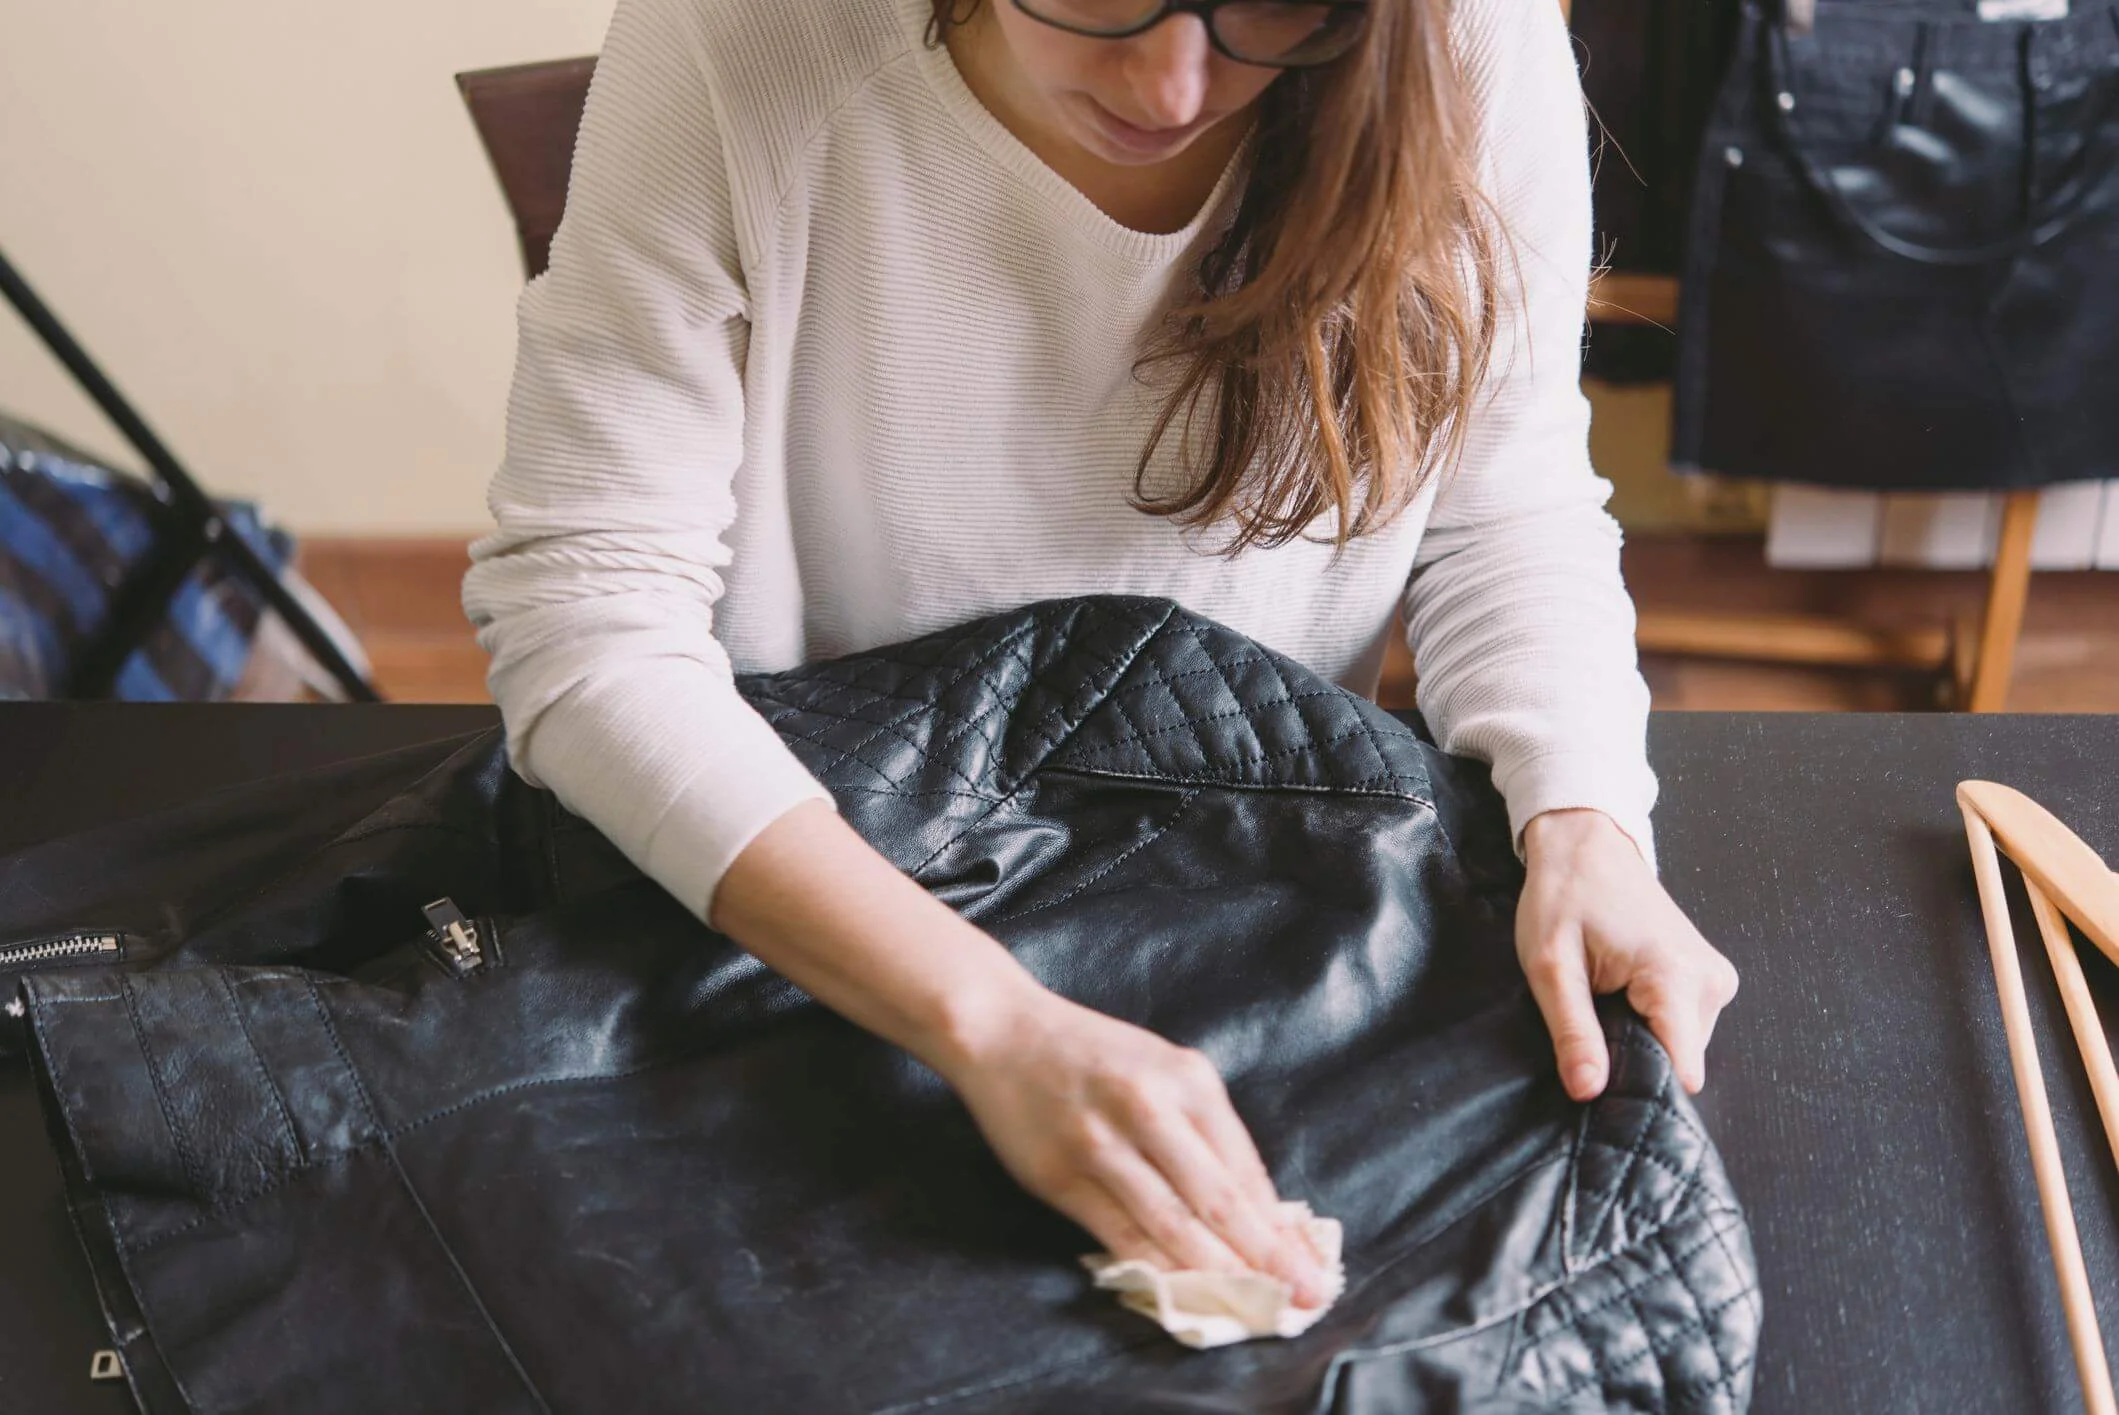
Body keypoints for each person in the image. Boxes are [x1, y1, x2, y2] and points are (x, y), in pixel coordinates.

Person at [464, 0, 1738, 1309]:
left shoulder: (1464, 28)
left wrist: (1584, 815)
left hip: (1261, 887)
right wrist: (989, 1019)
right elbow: (586, 607)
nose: (1176, 83)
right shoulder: (738, 35)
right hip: (814, 894)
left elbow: (1504, 502)